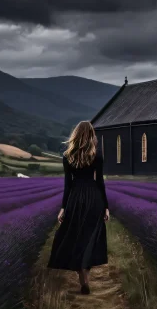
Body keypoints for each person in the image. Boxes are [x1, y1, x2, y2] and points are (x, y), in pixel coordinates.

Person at [47, 120, 110, 294]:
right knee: (89, 238)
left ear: (75, 134)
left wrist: (63, 208)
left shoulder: (67, 156)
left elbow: (67, 185)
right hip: (93, 198)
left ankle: (82, 278)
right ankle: (86, 276)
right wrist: (105, 206)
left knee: (75, 237)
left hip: (75, 198)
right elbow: (100, 182)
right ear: (91, 135)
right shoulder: (97, 155)